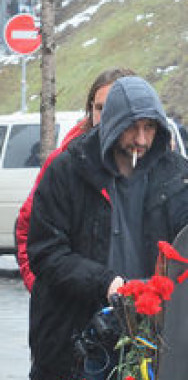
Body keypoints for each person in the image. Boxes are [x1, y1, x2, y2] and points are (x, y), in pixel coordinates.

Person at [27, 75, 188, 380]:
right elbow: (46, 251)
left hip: (146, 339)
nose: (141, 140)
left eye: (149, 129)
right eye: (132, 128)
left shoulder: (173, 174)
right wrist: (107, 283)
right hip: (78, 334)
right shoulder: (67, 170)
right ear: (112, 123)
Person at [14, 67, 135, 293]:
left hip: (138, 308)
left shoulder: (159, 166)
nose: (106, 116)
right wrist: (39, 286)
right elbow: (28, 230)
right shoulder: (64, 162)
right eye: (99, 108)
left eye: (115, 108)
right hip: (70, 306)